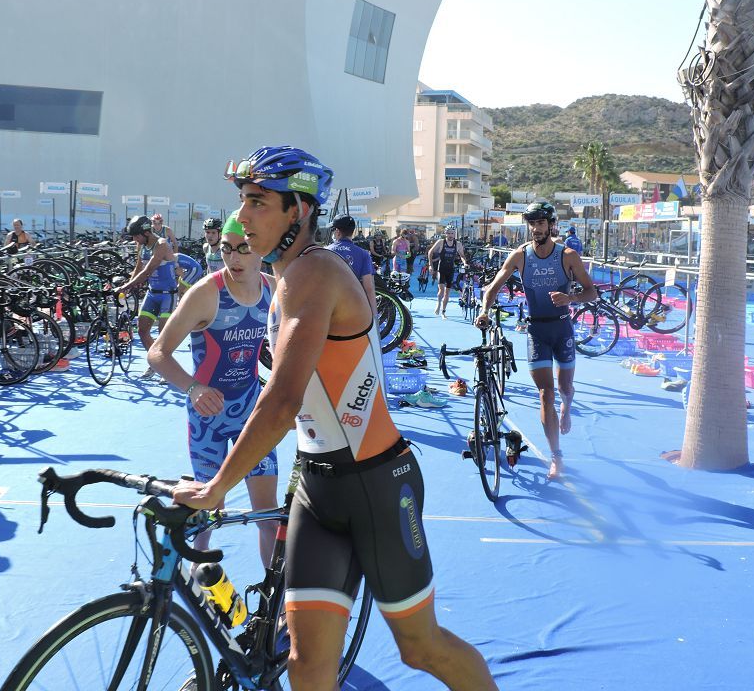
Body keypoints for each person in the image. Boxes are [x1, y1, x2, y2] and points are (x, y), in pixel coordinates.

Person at [174, 146, 496, 691]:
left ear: (298, 212)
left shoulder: (315, 273)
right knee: (305, 665)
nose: (242, 216)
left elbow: (280, 401)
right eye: (241, 203)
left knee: (420, 648)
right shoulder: (283, 282)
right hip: (317, 488)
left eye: (257, 203)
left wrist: (216, 487)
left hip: (376, 482)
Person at [148, 212, 278, 566]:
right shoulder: (206, 294)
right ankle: (198, 600)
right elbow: (157, 353)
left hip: (253, 413)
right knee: (204, 517)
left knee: (268, 516)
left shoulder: (274, 288)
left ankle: (277, 607)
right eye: (226, 249)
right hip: (208, 418)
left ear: (261, 249)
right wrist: (192, 388)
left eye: (243, 249)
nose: (233, 258)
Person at [475, 202, 597, 480]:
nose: (535, 228)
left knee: (565, 388)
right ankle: (557, 457)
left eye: (541, 223)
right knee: (545, 394)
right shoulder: (520, 256)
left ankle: (568, 403)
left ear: (551, 225)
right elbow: (493, 287)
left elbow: (592, 293)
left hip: (562, 329)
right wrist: (483, 311)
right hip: (536, 331)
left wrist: (571, 299)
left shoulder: (568, 255)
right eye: (532, 223)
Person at [118, 215, 179, 381]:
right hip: (152, 293)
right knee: (143, 330)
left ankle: (166, 368)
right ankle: (156, 363)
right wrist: (128, 284)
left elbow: (147, 271)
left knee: (162, 335)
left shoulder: (161, 244)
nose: (134, 239)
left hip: (168, 295)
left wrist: (125, 287)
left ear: (146, 232)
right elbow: (139, 267)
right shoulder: (141, 244)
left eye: (136, 235)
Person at [326, 214, 376, 317]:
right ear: (352, 232)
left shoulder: (325, 252)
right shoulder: (363, 254)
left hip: (328, 308)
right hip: (353, 309)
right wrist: (374, 316)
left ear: (337, 231)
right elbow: (369, 288)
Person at [427, 225, 468, 318]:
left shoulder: (458, 244)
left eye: (452, 233)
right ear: (445, 234)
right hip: (441, 268)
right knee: (441, 289)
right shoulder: (441, 242)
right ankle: (438, 304)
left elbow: (462, 255)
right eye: (448, 233)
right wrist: (430, 265)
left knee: (447, 292)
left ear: (455, 234)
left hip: (450, 269)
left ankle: (443, 311)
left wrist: (465, 262)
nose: (450, 235)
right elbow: (430, 252)